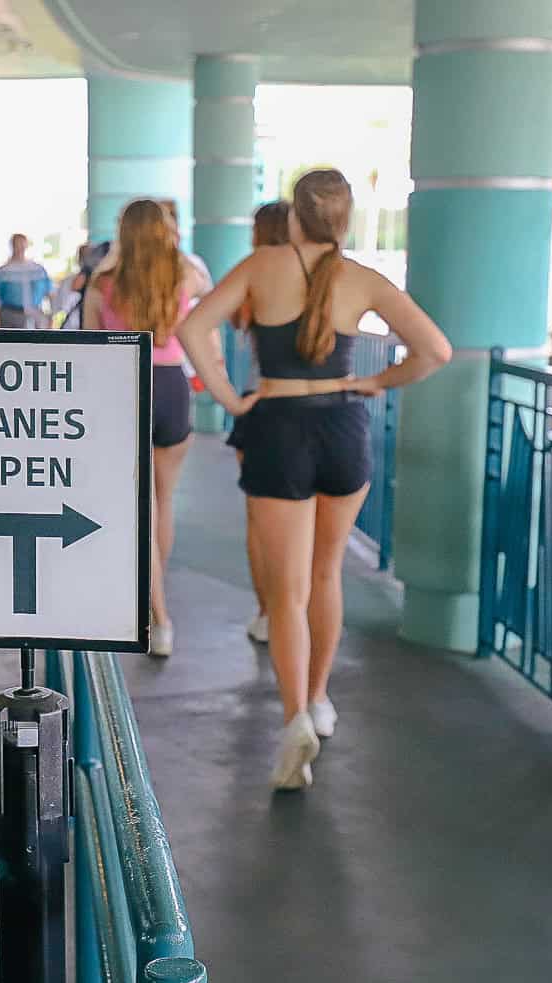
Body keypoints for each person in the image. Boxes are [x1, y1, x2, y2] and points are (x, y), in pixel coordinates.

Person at [178, 169, 452, 790]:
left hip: (278, 428)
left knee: (287, 592)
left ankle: (295, 715)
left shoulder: (263, 265)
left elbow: (192, 329)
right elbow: (434, 349)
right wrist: (376, 383)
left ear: (295, 217)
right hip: (343, 429)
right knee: (328, 574)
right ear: (343, 221)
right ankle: (322, 698)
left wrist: (229, 397)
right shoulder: (363, 279)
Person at [83, 199, 216, 658]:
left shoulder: (103, 284)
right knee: (163, 501)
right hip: (173, 386)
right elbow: (207, 289)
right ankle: (156, 597)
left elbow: (90, 348)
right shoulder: (183, 276)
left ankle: (158, 617)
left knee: (139, 507)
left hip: (127, 388)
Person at [227, 199, 293, 645]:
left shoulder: (254, 276)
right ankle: (293, 609)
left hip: (259, 399)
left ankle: (268, 611)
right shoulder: (315, 276)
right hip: (316, 405)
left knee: (259, 519)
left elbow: (235, 321)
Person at [0, 234, 52, 329]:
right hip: (10, 314)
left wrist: (51, 316)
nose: (20, 247)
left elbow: (49, 292)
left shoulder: (38, 269)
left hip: (35, 314)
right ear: (12, 246)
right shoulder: (4, 271)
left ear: (26, 245)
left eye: (22, 244)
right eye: (17, 244)